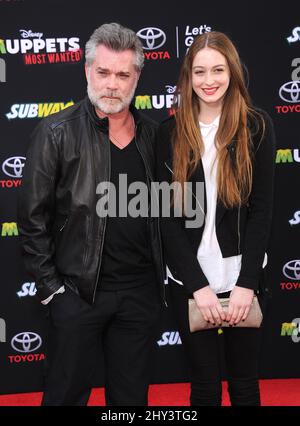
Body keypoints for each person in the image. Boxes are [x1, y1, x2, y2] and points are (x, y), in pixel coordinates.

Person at [18, 22, 165, 406]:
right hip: (78, 295)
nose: (112, 84)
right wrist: (54, 293)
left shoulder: (154, 137)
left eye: (122, 74)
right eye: (103, 72)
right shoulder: (56, 133)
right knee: (65, 396)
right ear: (87, 71)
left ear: (136, 79)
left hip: (139, 297)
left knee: (131, 402)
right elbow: (32, 220)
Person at [156, 31, 275, 406]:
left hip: (242, 276)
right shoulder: (169, 133)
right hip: (191, 280)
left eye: (218, 70)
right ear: (188, 78)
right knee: (204, 386)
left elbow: (262, 212)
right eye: (200, 71)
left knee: (244, 385)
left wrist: (247, 284)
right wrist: (197, 286)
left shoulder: (256, 127)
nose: (209, 81)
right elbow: (167, 219)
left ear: (233, 72)